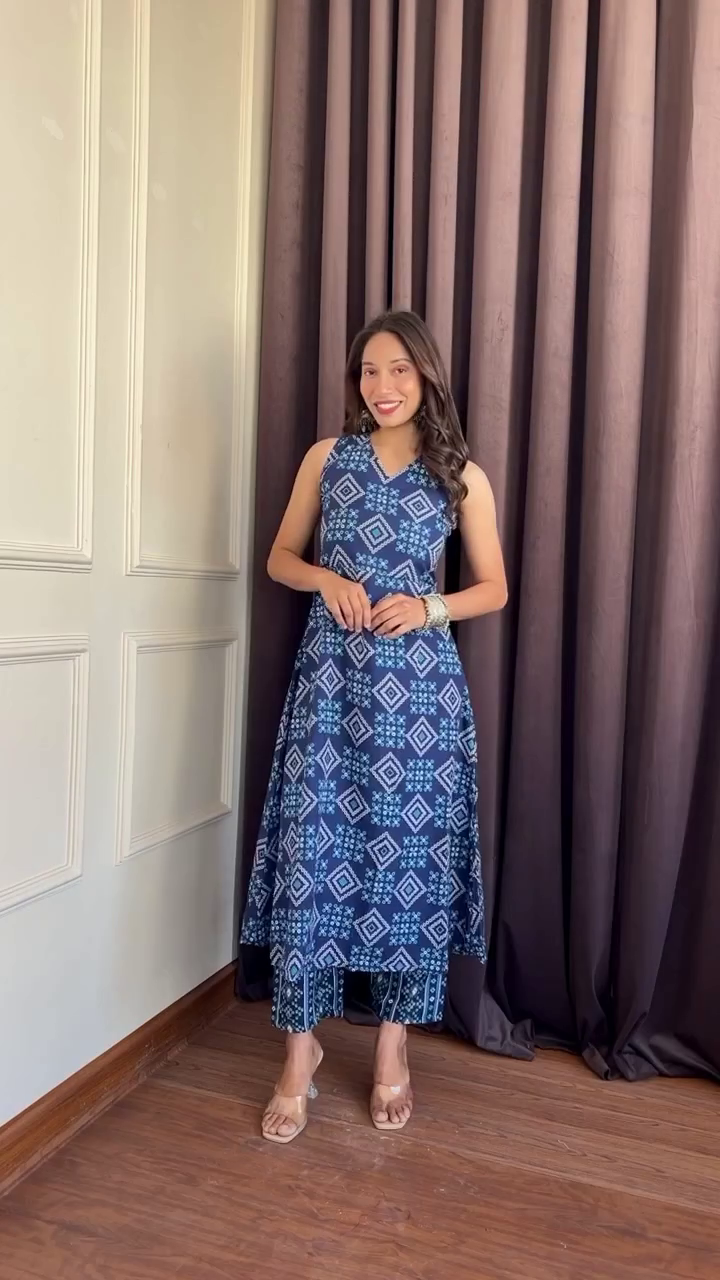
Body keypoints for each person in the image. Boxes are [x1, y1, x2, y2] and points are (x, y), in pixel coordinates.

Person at [241, 310, 507, 1143]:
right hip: (329, 689)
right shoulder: (328, 458)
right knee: (310, 859)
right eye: (368, 371)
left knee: (410, 870)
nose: (383, 387)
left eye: (398, 370)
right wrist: (324, 579)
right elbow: (279, 557)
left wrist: (429, 606)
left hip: (420, 703)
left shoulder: (460, 474)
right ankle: (299, 1054)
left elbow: (494, 587)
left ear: (425, 376)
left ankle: (394, 1047)